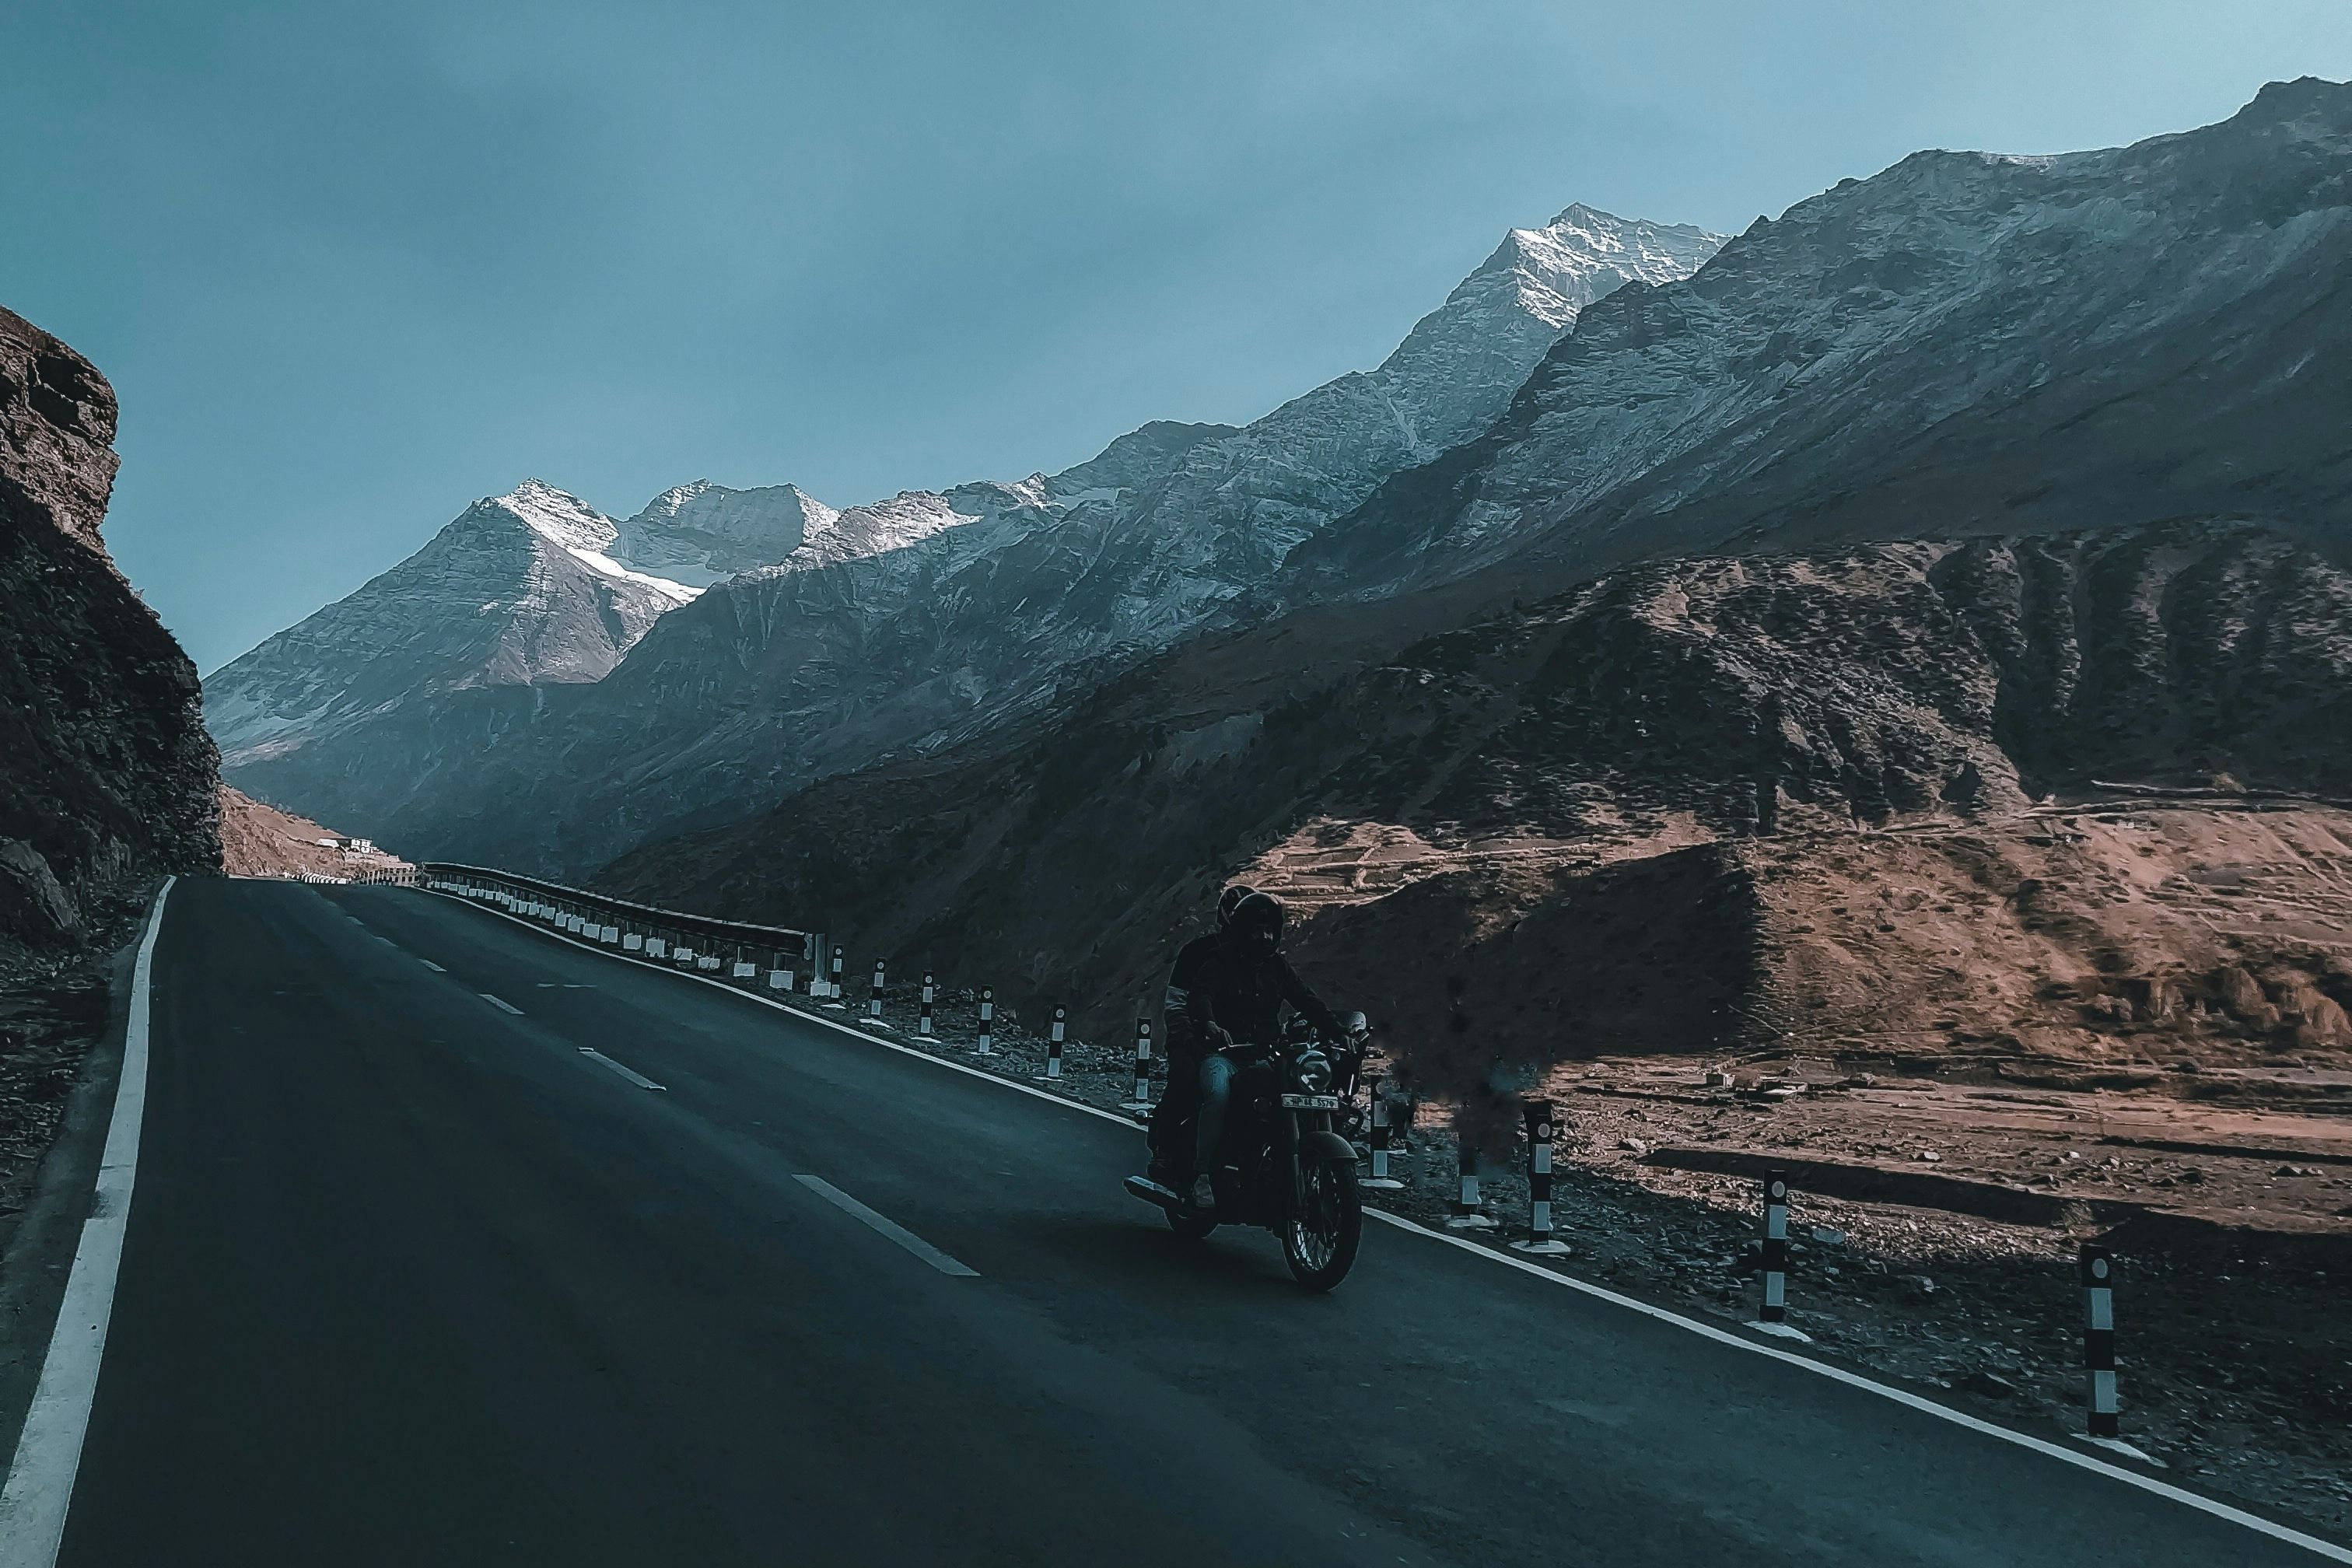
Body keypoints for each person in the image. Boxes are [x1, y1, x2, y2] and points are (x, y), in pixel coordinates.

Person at [1178, 890, 1343, 1210]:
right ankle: (1201, 1174)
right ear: (1241, 931)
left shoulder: (1278, 968)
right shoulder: (1220, 962)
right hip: (1224, 1055)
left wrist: (1338, 1031)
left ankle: (1279, 1165)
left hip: (1266, 1055)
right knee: (1219, 1095)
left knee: (1292, 1093)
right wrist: (1210, 1025)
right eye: (1257, 930)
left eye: (1269, 931)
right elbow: (1201, 996)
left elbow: (1307, 1000)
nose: (1264, 937)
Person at [1146, 884, 1255, 1190]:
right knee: (1185, 1076)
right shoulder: (1198, 953)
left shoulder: (1259, 958)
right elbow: (1176, 1003)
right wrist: (1191, 1036)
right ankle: (1165, 1148)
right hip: (1194, 1036)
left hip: (1241, 1043)